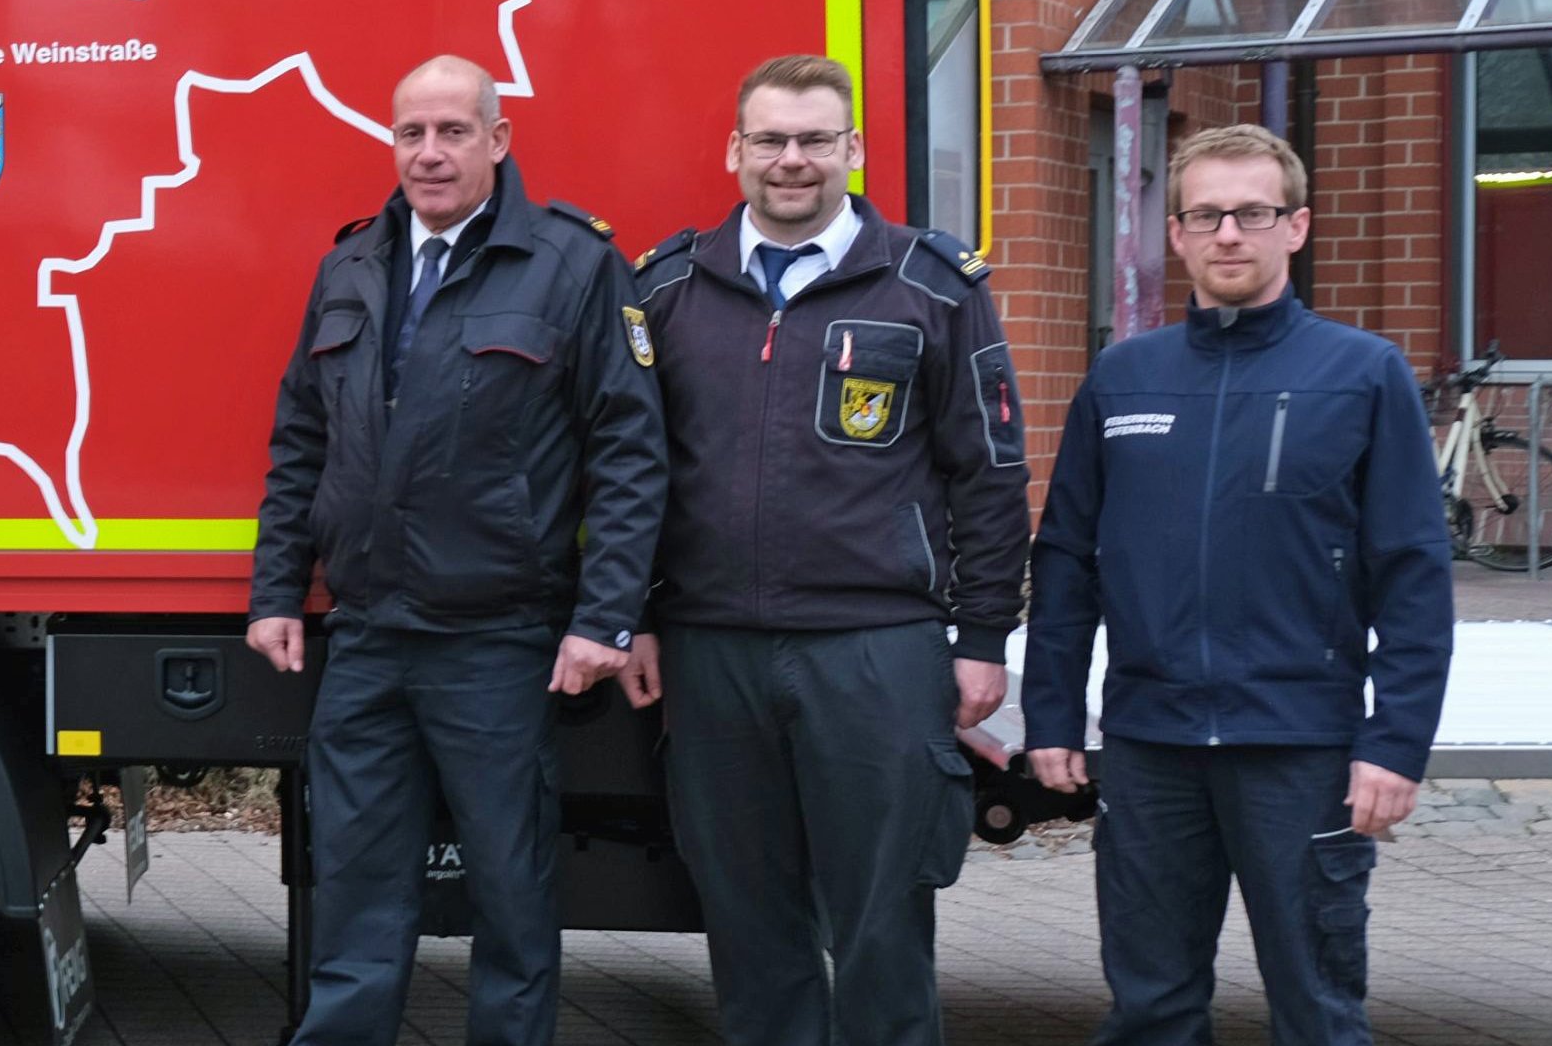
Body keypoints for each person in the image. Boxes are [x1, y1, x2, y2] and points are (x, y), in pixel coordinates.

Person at [245, 54, 663, 1046]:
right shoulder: (351, 265)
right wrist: (276, 591)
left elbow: (630, 449)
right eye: (411, 133)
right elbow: (302, 437)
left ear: (497, 139)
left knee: (511, 894)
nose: (428, 153)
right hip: (367, 637)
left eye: (452, 131)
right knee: (355, 889)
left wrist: (605, 617)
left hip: (497, 641)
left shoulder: (572, 265)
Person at [618, 53, 1029, 1046]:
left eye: (813, 139)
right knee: (748, 924)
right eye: (770, 139)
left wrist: (982, 636)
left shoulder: (932, 287)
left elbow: (989, 471)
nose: (791, 159)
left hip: (874, 649)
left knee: (882, 924)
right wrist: (631, 613)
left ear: (853, 148)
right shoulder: (667, 288)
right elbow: (628, 471)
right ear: (735, 150)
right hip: (713, 650)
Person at [1023, 124, 1453, 1046]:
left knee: (1317, 1011)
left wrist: (1396, 744)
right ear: (1176, 233)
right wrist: (1051, 715)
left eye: (1252, 213)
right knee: (1151, 1010)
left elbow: (1414, 573)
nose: (1227, 234)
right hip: (1150, 749)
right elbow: (1065, 560)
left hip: (1300, 750)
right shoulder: (1123, 379)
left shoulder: (1362, 374)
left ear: (1296, 226)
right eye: (1205, 215)